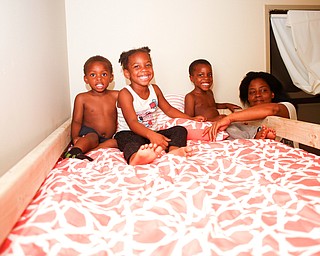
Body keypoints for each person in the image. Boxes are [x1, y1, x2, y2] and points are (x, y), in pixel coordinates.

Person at [115, 46, 205, 165]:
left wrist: (190, 118)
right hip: (130, 132)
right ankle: (135, 158)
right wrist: (151, 135)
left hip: (152, 133)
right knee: (127, 141)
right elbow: (132, 123)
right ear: (127, 73)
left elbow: (168, 109)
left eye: (148, 65)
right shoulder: (125, 94)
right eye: (137, 66)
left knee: (180, 130)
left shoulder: (155, 89)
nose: (144, 70)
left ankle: (174, 151)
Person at [185, 60, 275, 140]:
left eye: (210, 75)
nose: (207, 78)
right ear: (191, 78)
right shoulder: (190, 97)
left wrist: (226, 105)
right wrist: (212, 120)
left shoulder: (209, 93)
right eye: (201, 75)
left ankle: (258, 131)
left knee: (238, 124)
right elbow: (189, 120)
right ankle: (249, 139)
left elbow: (212, 106)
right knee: (230, 129)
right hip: (208, 125)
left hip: (220, 122)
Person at [204, 71, 297, 143]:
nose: (258, 95)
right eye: (252, 92)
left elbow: (273, 109)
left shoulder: (287, 107)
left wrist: (229, 118)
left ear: (272, 94)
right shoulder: (246, 117)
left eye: (263, 90)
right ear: (247, 97)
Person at [64, 55, 118, 161]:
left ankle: (91, 152)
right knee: (92, 137)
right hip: (89, 134)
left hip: (107, 138)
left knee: (116, 142)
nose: (99, 78)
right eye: (93, 75)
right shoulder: (82, 98)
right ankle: (75, 151)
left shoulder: (117, 95)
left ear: (111, 77)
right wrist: (75, 138)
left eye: (104, 74)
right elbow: (76, 121)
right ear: (86, 79)